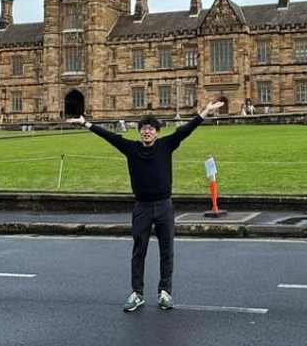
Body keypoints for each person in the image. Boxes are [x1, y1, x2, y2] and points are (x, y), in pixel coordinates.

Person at [69, 97, 225, 313]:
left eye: (151, 129)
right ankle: (137, 293)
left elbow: (186, 130)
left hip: (163, 206)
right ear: (140, 131)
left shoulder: (166, 145)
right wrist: (86, 123)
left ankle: (165, 292)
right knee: (138, 251)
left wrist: (205, 112)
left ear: (157, 132)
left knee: (166, 251)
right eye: (144, 129)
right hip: (141, 206)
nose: (147, 132)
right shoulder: (131, 148)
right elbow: (109, 136)